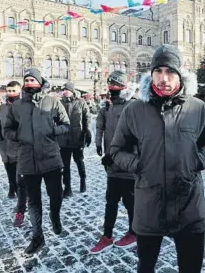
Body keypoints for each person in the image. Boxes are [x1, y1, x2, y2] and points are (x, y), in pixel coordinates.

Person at [110, 45, 205, 273]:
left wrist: (195, 161)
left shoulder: (199, 108)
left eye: (170, 71)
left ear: (180, 73)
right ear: (151, 73)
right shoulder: (134, 110)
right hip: (149, 206)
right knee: (146, 267)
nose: (164, 78)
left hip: (190, 208)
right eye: (158, 71)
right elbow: (116, 149)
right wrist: (138, 165)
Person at [4, 68, 70, 254]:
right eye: (27, 79)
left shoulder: (52, 101)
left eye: (33, 79)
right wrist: (18, 135)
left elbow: (66, 125)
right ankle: (37, 236)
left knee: (56, 194)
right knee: (33, 201)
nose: (30, 82)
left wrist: (52, 131)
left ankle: (55, 217)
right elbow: (7, 129)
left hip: (50, 157)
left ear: (40, 82)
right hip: (27, 159)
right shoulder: (16, 106)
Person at [91, 71, 136, 254]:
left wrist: (118, 155)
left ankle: (134, 232)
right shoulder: (107, 107)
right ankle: (107, 235)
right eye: (111, 88)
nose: (113, 92)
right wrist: (99, 145)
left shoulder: (133, 107)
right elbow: (100, 127)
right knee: (110, 201)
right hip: (112, 166)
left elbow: (136, 137)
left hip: (128, 166)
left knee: (130, 202)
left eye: (116, 88)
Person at [0, 81, 27, 227]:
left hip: (21, 150)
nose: (11, 93)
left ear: (19, 91)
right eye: (9, 90)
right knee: (11, 177)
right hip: (5, 149)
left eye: (14, 90)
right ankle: (18, 198)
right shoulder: (1, 108)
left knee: (20, 180)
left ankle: (21, 209)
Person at [58, 82, 91, 197]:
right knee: (65, 166)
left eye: (67, 89)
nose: (65, 91)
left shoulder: (80, 102)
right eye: (64, 89)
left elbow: (87, 118)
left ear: (72, 91)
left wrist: (88, 133)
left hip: (77, 138)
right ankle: (67, 188)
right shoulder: (60, 103)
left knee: (79, 161)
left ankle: (83, 180)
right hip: (63, 140)